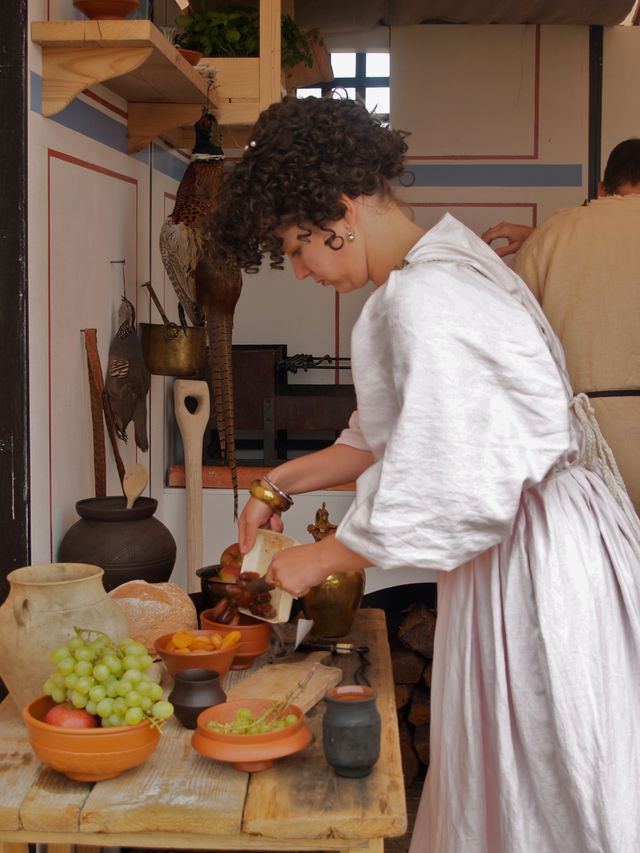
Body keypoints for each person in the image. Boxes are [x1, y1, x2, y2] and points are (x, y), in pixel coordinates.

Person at [216, 96, 640, 853]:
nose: (302, 268)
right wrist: (276, 484)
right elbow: (384, 435)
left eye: (297, 247)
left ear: (338, 213)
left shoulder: (425, 297)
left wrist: (317, 559)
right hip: (541, 536)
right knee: (532, 777)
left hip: (534, 559)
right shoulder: (443, 266)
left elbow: (447, 481)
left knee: (548, 783)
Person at [482, 138, 640, 513]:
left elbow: (510, 340)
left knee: (596, 562)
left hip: (585, 440)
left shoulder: (555, 233)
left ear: (601, 190)